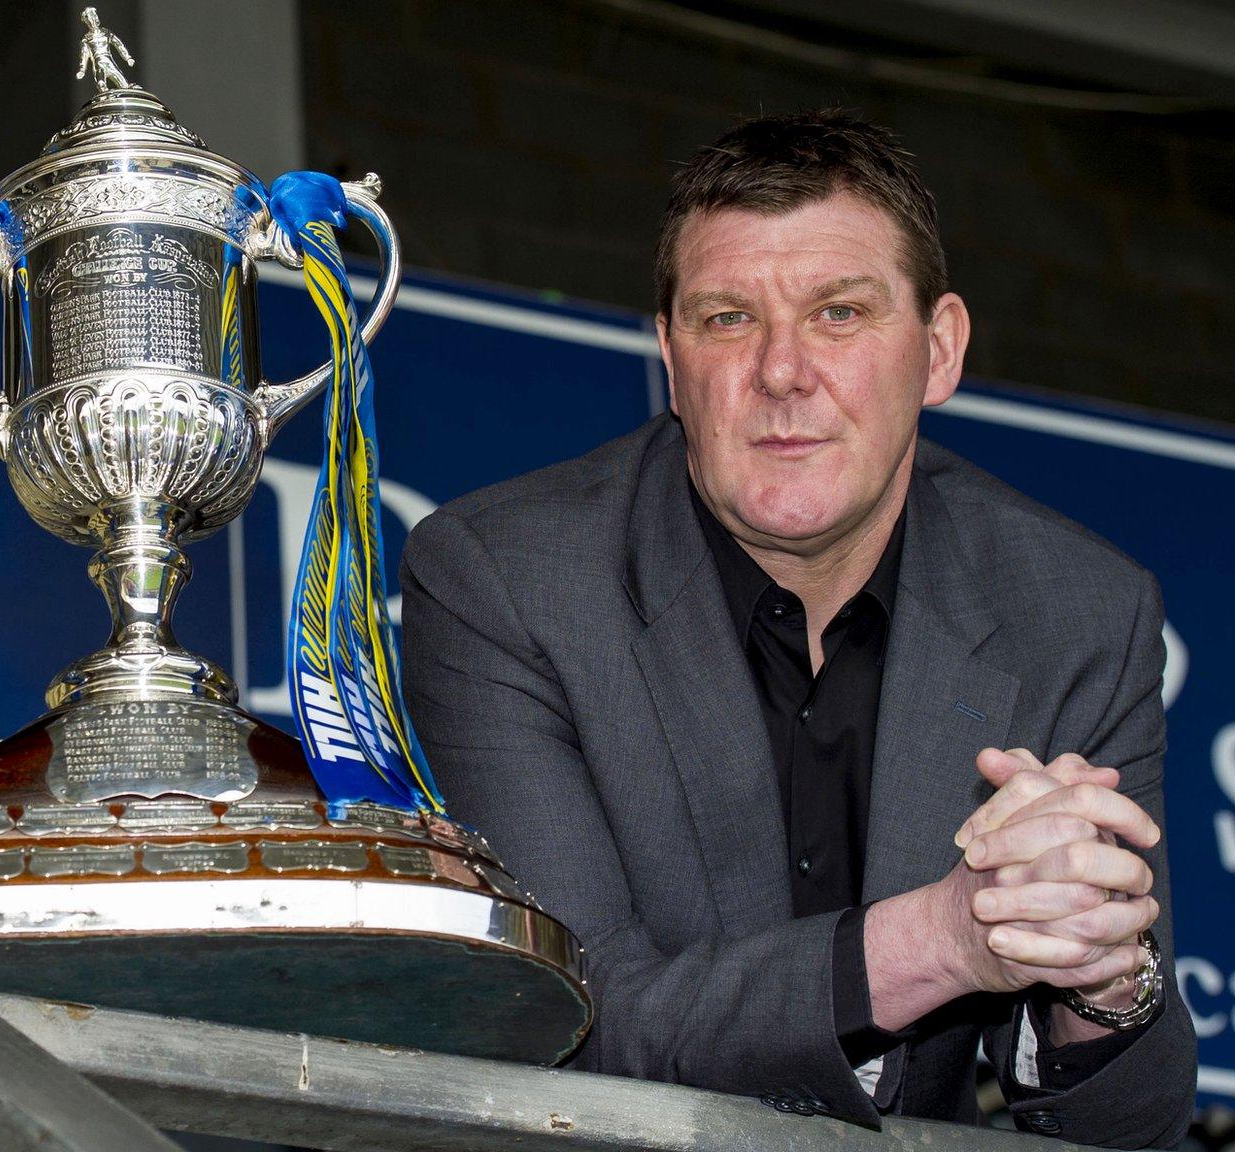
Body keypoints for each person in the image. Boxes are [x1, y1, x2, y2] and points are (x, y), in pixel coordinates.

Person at [401, 110, 1194, 1147]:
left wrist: (1097, 976)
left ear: (938, 349)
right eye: (726, 319)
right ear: (669, 358)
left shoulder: (1078, 609)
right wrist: (941, 940)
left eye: (838, 313)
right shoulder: (501, 580)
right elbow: (563, 1026)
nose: (781, 371)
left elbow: (1130, 1128)